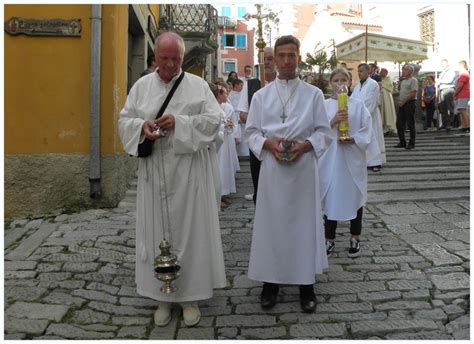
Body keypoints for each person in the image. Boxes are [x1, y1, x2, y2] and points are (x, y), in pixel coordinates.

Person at [118, 31, 226, 327]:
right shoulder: (141, 87)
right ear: (155, 57)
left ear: (182, 58)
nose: (170, 64)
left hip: (189, 171)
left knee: (190, 233)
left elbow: (215, 120)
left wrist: (181, 123)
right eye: (164, 58)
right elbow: (125, 120)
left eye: (175, 58)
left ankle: (190, 296)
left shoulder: (197, 85)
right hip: (155, 171)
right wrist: (144, 127)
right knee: (156, 233)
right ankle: (161, 298)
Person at [245, 35, 333, 313]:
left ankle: (306, 284)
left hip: (303, 168)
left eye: (290, 55)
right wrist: (269, 144)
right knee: (271, 226)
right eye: (280, 56)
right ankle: (270, 282)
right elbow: (251, 133)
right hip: (273, 169)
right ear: (273, 60)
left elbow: (323, 132)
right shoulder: (261, 96)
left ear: (299, 57)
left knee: (303, 225)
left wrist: (306, 145)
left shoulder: (314, 95)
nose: (285, 61)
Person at [319, 68, 372, 258]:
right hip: (331, 159)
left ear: (350, 82)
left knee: (354, 197)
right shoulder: (323, 106)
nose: (340, 83)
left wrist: (354, 139)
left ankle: (355, 237)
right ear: (330, 83)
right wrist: (333, 121)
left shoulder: (358, 105)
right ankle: (329, 239)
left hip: (352, 158)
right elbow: (316, 130)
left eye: (344, 80)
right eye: (336, 80)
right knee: (331, 197)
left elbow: (367, 130)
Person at [237, 47, 277, 202]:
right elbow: (242, 115)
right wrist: (259, 119)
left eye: (270, 58)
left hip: (280, 142)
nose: (266, 62)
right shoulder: (250, 85)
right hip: (258, 144)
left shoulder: (285, 83)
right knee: (260, 188)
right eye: (264, 59)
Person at [351, 63, 386, 172]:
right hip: (359, 116)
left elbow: (372, 102)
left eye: (361, 71)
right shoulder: (357, 86)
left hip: (370, 116)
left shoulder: (373, 84)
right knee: (364, 139)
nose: (359, 73)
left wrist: (362, 114)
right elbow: (352, 100)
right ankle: (366, 162)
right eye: (358, 71)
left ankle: (376, 162)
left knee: (373, 137)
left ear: (368, 72)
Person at [212, 82, 240, 209]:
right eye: (224, 92)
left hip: (225, 142)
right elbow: (212, 124)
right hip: (218, 144)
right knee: (219, 169)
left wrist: (227, 125)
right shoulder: (212, 107)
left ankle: (223, 194)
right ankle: (218, 197)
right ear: (218, 94)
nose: (227, 94)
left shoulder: (224, 106)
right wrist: (224, 125)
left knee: (225, 168)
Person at [394, 64, 418, 150]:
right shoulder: (403, 81)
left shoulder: (413, 80)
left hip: (409, 103)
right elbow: (400, 92)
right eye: (403, 70)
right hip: (402, 104)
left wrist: (404, 101)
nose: (403, 71)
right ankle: (402, 141)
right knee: (399, 123)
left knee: (410, 123)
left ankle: (411, 143)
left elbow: (413, 93)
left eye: (405, 70)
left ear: (410, 71)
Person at [437, 59, 457, 130]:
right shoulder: (442, 72)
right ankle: (444, 123)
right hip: (442, 90)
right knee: (442, 107)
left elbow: (449, 80)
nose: (442, 65)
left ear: (447, 64)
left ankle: (450, 123)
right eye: (441, 64)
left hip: (449, 89)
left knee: (449, 107)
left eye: (443, 63)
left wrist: (439, 81)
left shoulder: (451, 71)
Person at [379, 68, 397, 136]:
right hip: (381, 99)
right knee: (382, 113)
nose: (380, 73)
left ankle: (388, 129)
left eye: (382, 72)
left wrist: (382, 85)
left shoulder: (388, 79)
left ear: (386, 73)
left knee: (387, 113)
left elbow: (390, 88)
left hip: (387, 99)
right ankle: (383, 129)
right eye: (380, 71)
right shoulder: (379, 79)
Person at [454, 60, 470, 132]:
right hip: (461, 95)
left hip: (463, 94)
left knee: (463, 110)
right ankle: (464, 126)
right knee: (461, 110)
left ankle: (467, 126)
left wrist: (455, 93)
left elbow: (460, 85)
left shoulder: (463, 73)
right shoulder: (462, 73)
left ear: (461, 65)